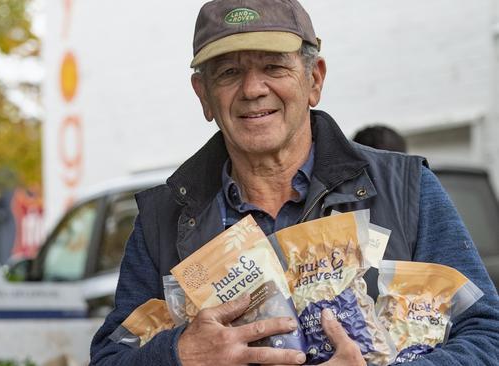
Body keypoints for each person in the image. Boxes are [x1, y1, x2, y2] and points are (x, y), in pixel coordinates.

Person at [90, 0, 499, 365]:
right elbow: (109, 358)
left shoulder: (407, 189)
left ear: (314, 80)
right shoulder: (164, 219)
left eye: (273, 66)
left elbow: (487, 335)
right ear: (204, 96)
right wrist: (179, 354)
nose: (253, 89)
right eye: (230, 72)